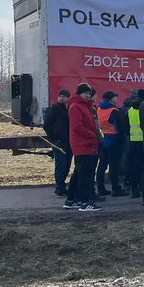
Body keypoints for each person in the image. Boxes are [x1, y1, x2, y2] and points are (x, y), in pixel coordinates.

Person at [64, 83, 102, 212]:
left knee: (79, 173)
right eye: (85, 93)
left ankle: (71, 199)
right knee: (86, 175)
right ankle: (85, 202)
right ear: (79, 93)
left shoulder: (84, 106)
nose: (88, 95)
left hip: (85, 144)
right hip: (84, 145)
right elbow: (77, 127)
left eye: (89, 93)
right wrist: (92, 136)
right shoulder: (76, 107)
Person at [95, 91, 127, 197]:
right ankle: (116, 188)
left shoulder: (99, 109)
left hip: (104, 140)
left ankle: (100, 187)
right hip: (114, 141)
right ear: (111, 99)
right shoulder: (114, 111)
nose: (116, 99)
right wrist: (123, 140)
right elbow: (121, 127)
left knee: (102, 166)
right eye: (115, 97)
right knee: (114, 166)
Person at [43, 89, 72, 197]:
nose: (61, 98)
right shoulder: (54, 109)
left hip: (69, 141)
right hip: (59, 142)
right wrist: (54, 139)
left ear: (68, 98)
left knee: (67, 165)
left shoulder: (69, 109)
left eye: (64, 96)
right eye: (60, 96)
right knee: (61, 165)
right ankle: (59, 188)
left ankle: (62, 186)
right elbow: (47, 125)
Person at [126, 89, 144, 198]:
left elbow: (126, 126)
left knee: (134, 167)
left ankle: (134, 189)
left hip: (132, 142)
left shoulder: (130, 109)